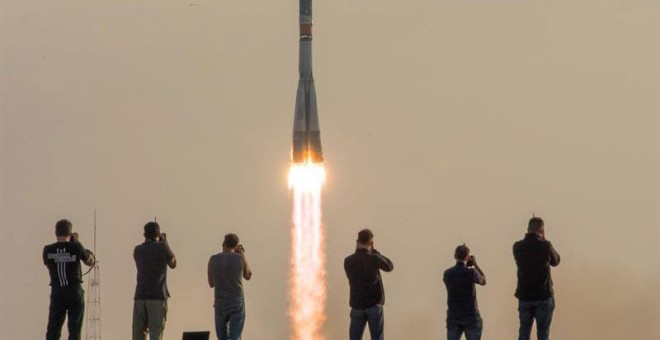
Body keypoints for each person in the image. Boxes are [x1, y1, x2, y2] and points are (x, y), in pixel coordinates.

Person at [43, 219, 95, 340]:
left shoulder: (47, 249)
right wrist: (76, 241)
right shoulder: (76, 246)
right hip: (74, 291)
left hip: (57, 291)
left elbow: (48, 263)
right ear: (70, 233)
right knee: (75, 329)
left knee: (53, 329)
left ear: (56, 232)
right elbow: (89, 261)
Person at [513, 217, 561, 340]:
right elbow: (556, 261)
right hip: (543, 296)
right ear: (542, 230)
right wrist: (544, 240)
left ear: (528, 229)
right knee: (543, 334)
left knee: (523, 333)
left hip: (525, 296)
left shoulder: (517, 246)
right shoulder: (545, 245)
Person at [344, 229, 394, 340]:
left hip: (357, 305)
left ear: (357, 242)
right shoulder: (374, 259)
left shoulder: (348, 261)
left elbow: (350, 277)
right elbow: (389, 266)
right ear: (371, 243)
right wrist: (375, 252)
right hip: (374, 305)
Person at [132, 221, 177, 340]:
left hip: (140, 296)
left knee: (138, 334)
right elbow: (173, 263)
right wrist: (165, 242)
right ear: (158, 234)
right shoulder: (162, 247)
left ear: (144, 234)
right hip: (157, 295)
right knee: (156, 333)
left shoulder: (137, 250)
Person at [207, 233, 253, 340]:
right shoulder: (239, 258)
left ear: (224, 243)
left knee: (222, 337)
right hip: (236, 301)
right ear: (236, 245)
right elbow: (248, 275)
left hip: (220, 301)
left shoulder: (213, 259)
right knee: (235, 336)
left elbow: (211, 283)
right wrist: (242, 254)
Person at [443, 244, 487, 340]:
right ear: (467, 257)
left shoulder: (447, 274)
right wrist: (474, 265)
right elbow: (483, 281)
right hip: (470, 316)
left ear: (455, 256)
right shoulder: (471, 272)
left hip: (453, 315)